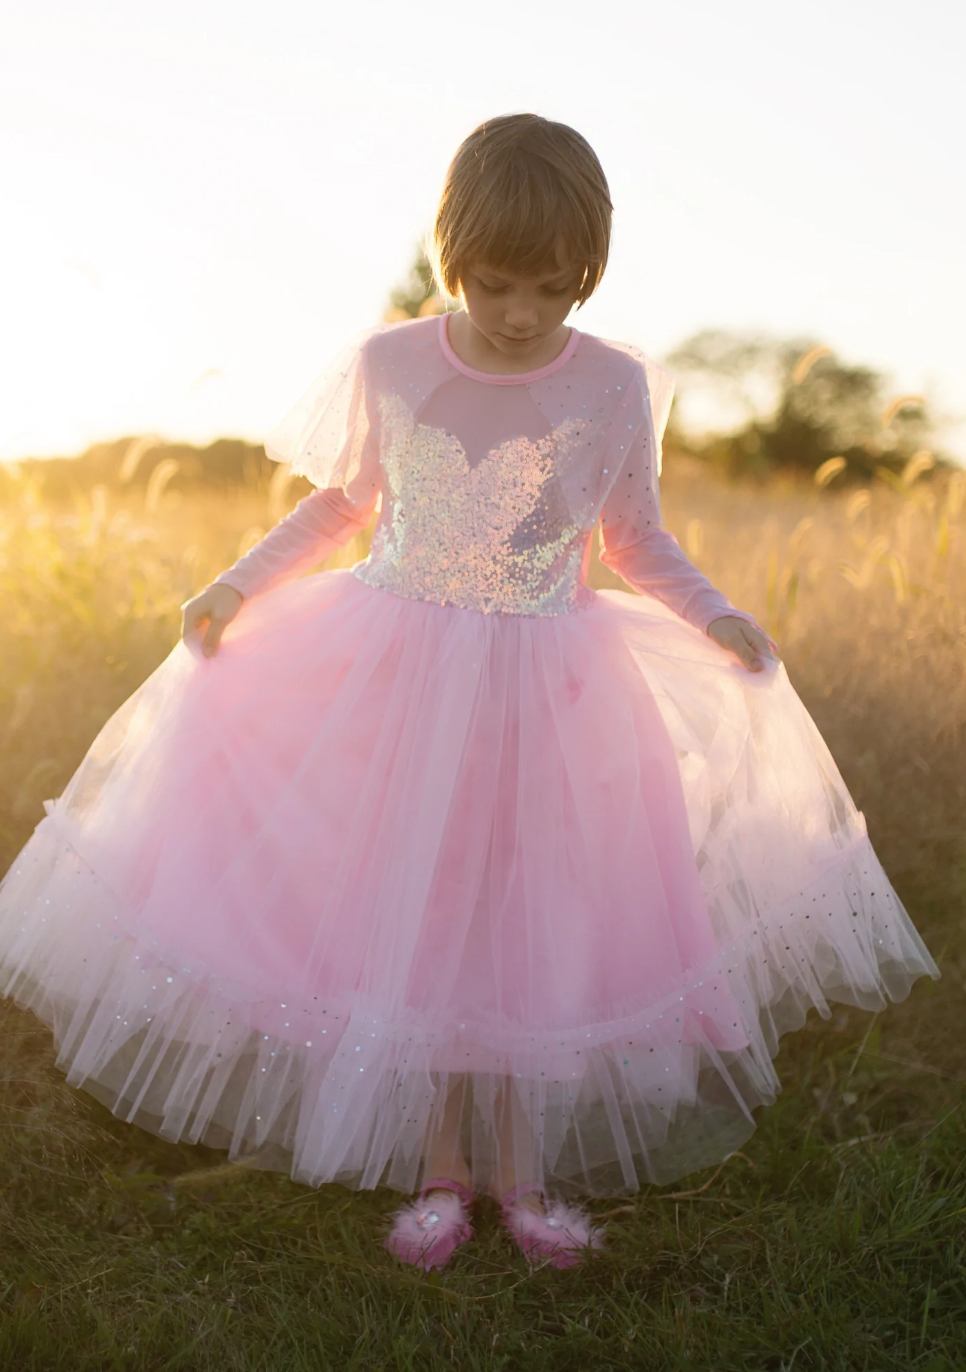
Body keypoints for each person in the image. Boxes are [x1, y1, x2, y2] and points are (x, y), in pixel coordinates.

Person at [0, 114, 939, 1273]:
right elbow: (345, 504)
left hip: (550, 687)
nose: (521, 312)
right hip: (397, 674)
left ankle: (525, 1175)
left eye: (554, 287)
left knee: (531, 908)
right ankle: (443, 1169)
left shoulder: (613, 384)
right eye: (495, 283)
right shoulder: (392, 361)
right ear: (452, 251)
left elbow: (635, 537)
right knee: (431, 905)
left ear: (587, 271)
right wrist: (236, 583)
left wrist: (716, 614)